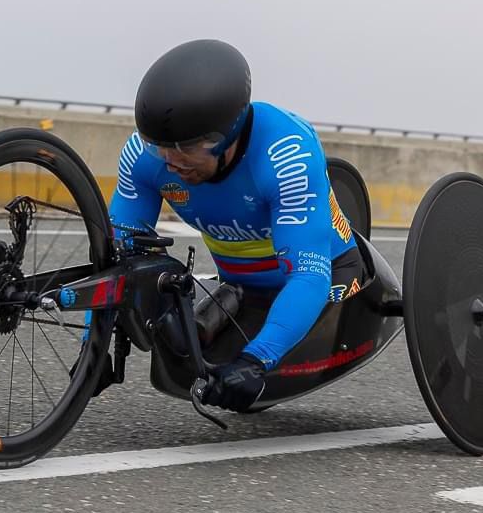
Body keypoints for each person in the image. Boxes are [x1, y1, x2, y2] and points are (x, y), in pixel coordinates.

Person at [108, 39, 366, 412]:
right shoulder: (143, 157)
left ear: (227, 135)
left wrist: (256, 361)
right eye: (159, 145)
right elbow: (118, 257)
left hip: (326, 273)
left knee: (254, 360)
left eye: (185, 147)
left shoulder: (287, 157)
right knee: (175, 338)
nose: (169, 159)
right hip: (240, 285)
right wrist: (93, 343)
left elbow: (309, 279)